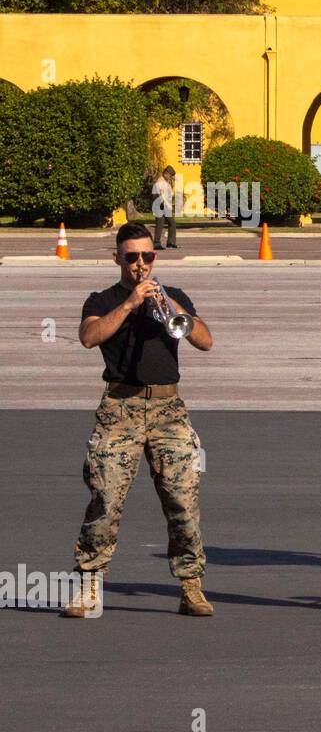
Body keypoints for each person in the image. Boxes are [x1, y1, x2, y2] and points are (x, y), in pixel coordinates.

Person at [63, 222, 214, 618]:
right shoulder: (103, 298)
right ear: (117, 258)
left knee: (182, 498)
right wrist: (130, 303)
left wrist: (169, 303)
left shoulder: (173, 296)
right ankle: (90, 583)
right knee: (105, 498)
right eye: (132, 257)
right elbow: (89, 336)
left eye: (147, 256)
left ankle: (191, 585)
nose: (140, 264)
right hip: (119, 407)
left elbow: (205, 341)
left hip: (168, 408)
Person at [152, 166, 179, 250]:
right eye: (170, 175)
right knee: (162, 224)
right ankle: (158, 243)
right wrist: (167, 205)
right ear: (166, 173)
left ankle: (169, 243)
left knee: (168, 224)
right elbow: (161, 196)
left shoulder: (165, 182)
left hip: (164, 205)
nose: (170, 177)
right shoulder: (160, 183)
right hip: (161, 205)